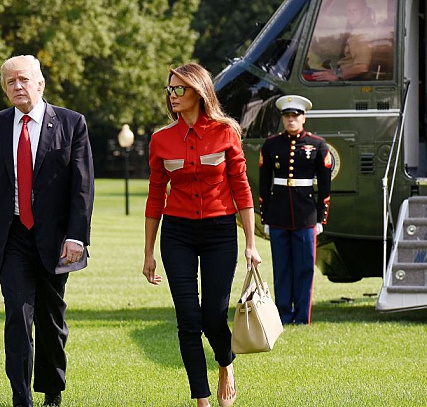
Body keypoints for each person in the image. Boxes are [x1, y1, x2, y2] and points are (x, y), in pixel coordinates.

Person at [0, 55, 94, 407]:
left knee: (50, 318)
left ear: (40, 84)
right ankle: (21, 397)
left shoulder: (71, 123)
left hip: (55, 239)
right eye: (10, 82)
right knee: (17, 314)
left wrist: (76, 237)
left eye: (24, 79)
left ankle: (52, 391)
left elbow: (82, 186)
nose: (18, 86)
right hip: (10, 237)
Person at [142, 62, 262, 407]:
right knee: (188, 320)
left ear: (199, 91)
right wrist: (148, 253)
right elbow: (155, 197)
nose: (172, 95)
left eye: (179, 89)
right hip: (177, 233)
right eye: (170, 89)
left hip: (220, 233)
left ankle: (226, 363)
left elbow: (241, 188)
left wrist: (251, 243)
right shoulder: (160, 140)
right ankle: (202, 400)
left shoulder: (226, 132)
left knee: (212, 317)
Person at [258, 95, 332, 325]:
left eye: (295, 116)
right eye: (287, 116)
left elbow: (325, 186)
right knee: (281, 268)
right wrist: (265, 216)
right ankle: (283, 313)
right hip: (278, 214)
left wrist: (320, 218)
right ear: (283, 119)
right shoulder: (271, 145)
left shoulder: (318, 145)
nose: (291, 120)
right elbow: (264, 184)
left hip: (305, 215)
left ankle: (301, 316)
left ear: (304, 118)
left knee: (304, 268)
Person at [311, 0, 375, 81]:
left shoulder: (361, 34)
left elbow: (362, 67)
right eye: (349, 10)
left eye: (355, 10)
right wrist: (335, 72)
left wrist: (339, 76)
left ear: (365, 11)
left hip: (352, 80)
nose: (351, 14)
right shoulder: (360, 30)